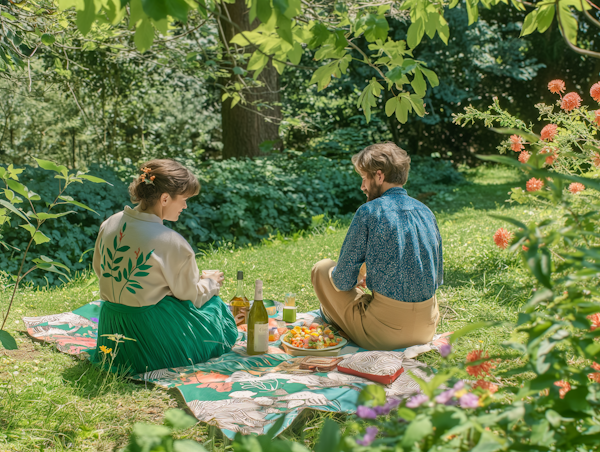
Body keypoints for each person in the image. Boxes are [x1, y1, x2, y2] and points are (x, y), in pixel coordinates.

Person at [91, 159, 238, 374]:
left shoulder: (110, 223)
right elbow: (190, 296)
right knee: (215, 308)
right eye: (184, 200)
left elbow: (100, 270)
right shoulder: (170, 241)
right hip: (150, 336)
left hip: (111, 327)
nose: (185, 206)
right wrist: (210, 283)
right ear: (165, 198)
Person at [311, 142, 443, 350]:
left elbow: (342, 281)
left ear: (379, 176)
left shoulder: (369, 212)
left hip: (385, 334)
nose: (362, 186)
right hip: (428, 327)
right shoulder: (426, 211)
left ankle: (329, 314)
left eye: (364, 178)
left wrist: (356, 280)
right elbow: (436, 277)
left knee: (322, 268)